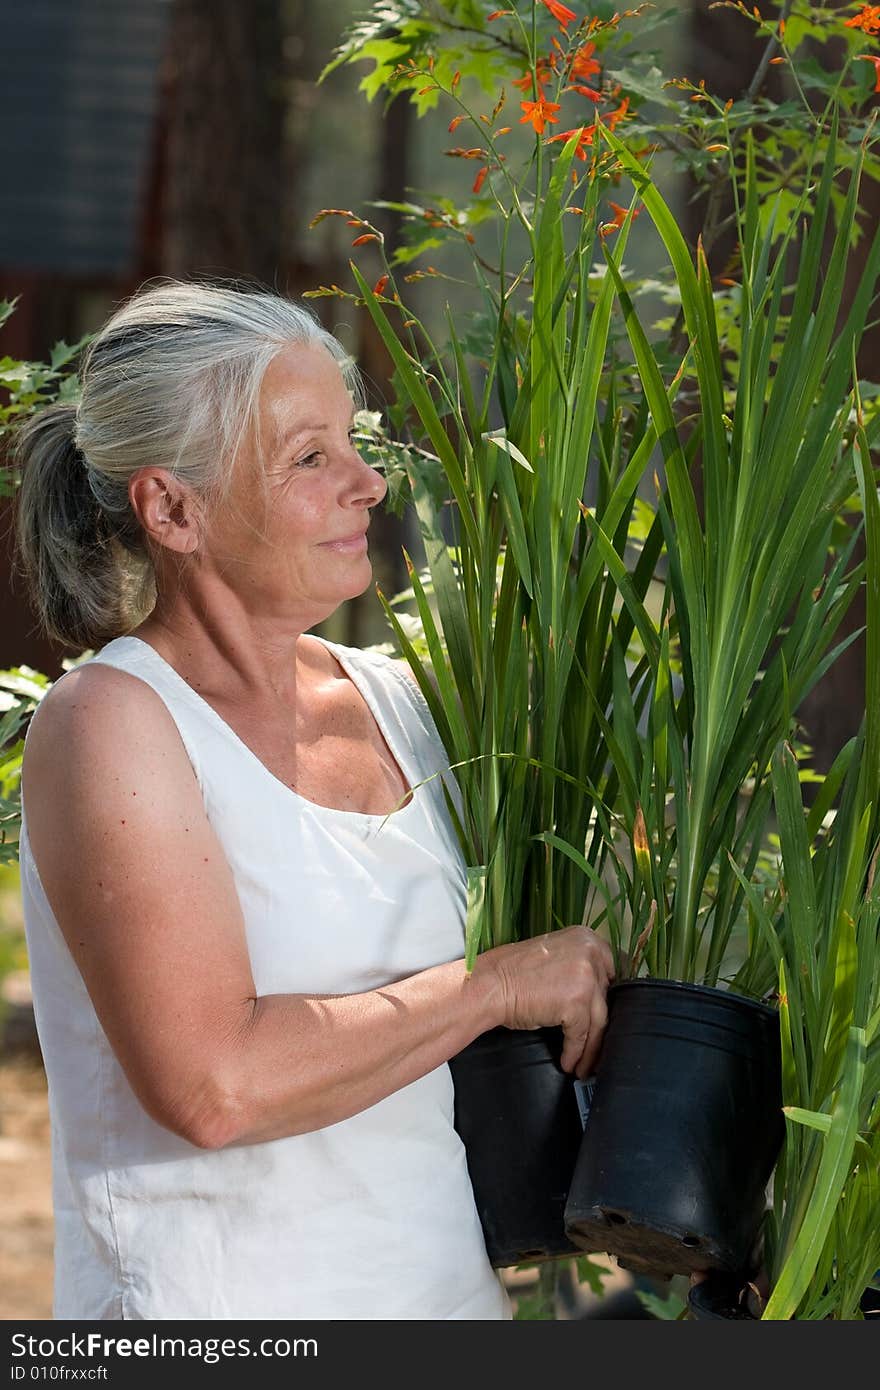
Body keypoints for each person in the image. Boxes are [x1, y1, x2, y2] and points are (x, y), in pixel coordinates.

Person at [10, 279, 614, 1321]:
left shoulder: (401, 703)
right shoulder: (111, 722)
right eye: (309, 457)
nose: (368, 483)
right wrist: (491, 985)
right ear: (171, 508)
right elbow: (214, 1084)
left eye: (352, 440)